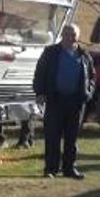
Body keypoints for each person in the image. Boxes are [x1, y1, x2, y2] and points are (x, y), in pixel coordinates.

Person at [33, 23, 96, 179]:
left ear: (78, 36)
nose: (70, 37)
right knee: (52, 136)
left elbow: (92, 76)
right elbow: (40, 72)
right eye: (67, 34)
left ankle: (69, 169)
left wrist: (88, 92)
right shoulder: (51, 53)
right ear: (62, 35)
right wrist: (40, 92)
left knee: (71, 138)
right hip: (55, 100)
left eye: (73, 35)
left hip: (76, 102)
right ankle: (51, 169)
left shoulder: (84, 55)